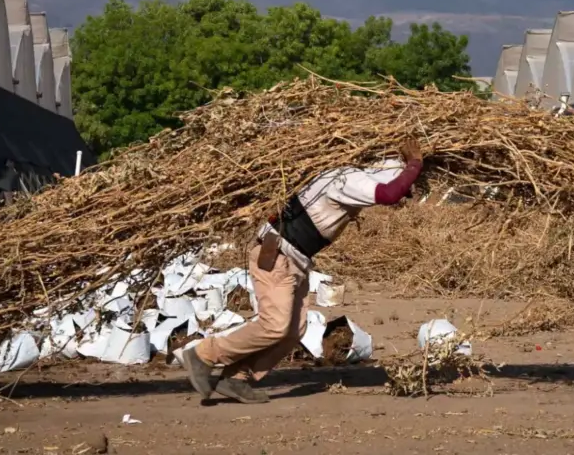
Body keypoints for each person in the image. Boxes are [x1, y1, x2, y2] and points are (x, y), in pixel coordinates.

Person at [180, 138, 424, 403]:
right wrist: (415, 163)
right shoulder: (347, 178)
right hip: (278, 255)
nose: (405, 194)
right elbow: (389, 194)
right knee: (274, 326)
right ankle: (204, 354)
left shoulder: (346, 177)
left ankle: (237, 377)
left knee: (294, 330)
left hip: (294, 259)